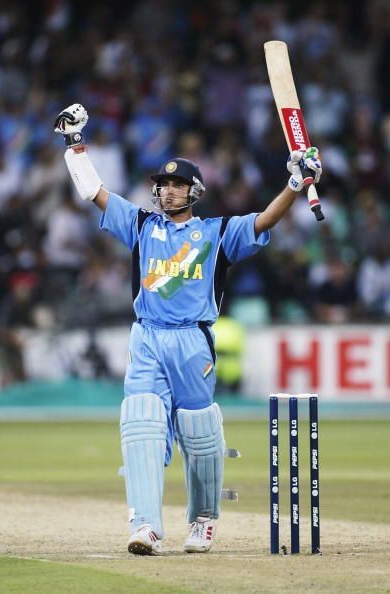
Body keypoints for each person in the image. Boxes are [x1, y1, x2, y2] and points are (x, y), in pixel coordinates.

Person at [54, 103, 322, 556]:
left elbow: (264, 220)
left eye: (177, 184)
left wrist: (296, 184)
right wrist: (73, 144)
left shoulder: (216, 233)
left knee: (199, 435)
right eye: (163, 184)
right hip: (148, 336)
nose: (168, 191)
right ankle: (145, 526)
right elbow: (94, 192)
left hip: (192, 341)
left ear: (194, 190)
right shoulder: (140, 225)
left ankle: (202, 521)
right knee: (140, 425)